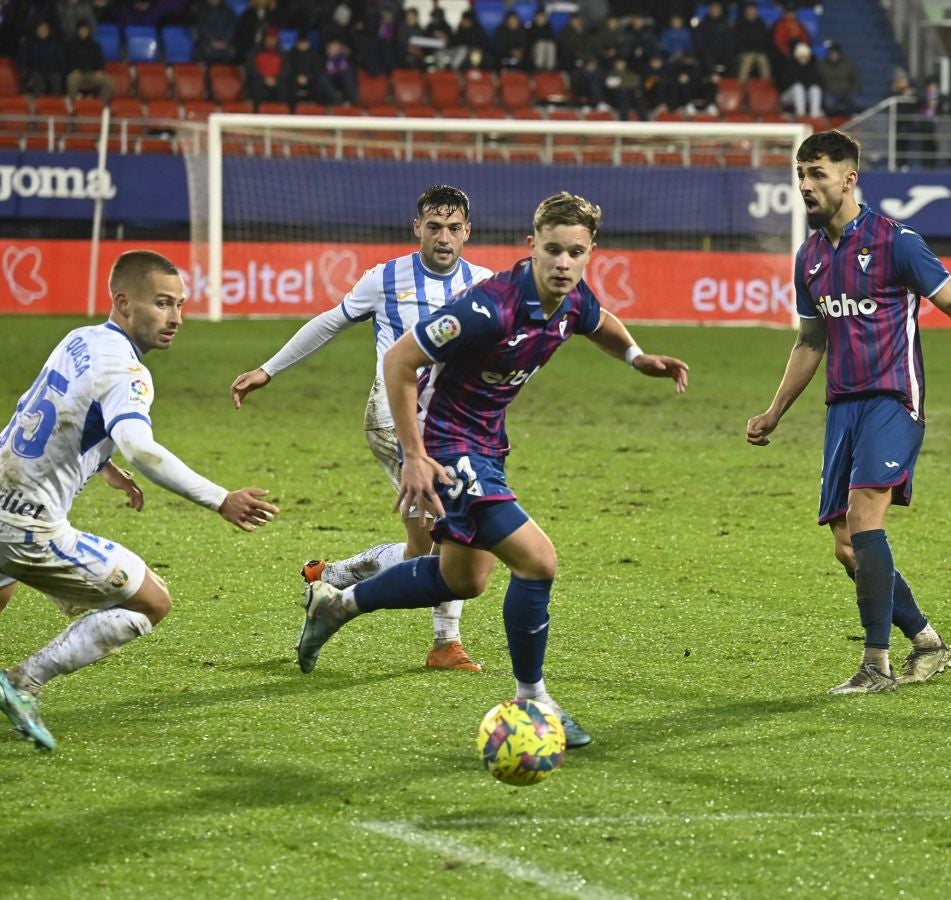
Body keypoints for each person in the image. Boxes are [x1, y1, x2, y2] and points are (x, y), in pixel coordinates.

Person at [292, 192, 690, 749]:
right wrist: (413, 454)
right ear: (531, 247)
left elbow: (599, 321)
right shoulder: (489, 307)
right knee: (537, 560)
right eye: (552, 250)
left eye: (575, 252)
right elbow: (400, 360)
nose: (563, 263)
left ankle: (339, 605)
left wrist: (636, 358)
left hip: (487, 444)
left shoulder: (570, 298)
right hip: (447, 443)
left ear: (590, 252)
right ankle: (534, 701)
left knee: (463, 578)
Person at [745, 130, 951, 694]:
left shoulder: (897, 242)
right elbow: (810, 342)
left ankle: (876, 665)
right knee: (848, 547)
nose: (806, 184)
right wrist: (775, 411)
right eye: (801, 174)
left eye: (818, 173)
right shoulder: (810, 258)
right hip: (841, 407)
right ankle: (927, 642)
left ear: (849, 179)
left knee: (867, 522)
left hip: (895, 399)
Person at [0, 251, 279, 752]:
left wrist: (102, 463)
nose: (175, 317)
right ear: (124, 303)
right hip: (26, 524)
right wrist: (220, 499)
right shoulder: (128, 372)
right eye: (162, 303)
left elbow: (48, 410)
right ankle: (23, 681)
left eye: (180, 305)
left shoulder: (80, 339)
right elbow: (142, 446)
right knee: (151, 602)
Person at [229, 186, 493, 673]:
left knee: (423, 548)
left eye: (454, 228)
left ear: (467, 233)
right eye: (434, 227)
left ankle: (333, 576)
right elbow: (329, 323)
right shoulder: (385, 278)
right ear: (417, 228)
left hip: (452, 426)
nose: (443, 237)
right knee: (449, 529)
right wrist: (270, 369)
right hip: (394, 420)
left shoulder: (484, 284)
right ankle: (445, 644)